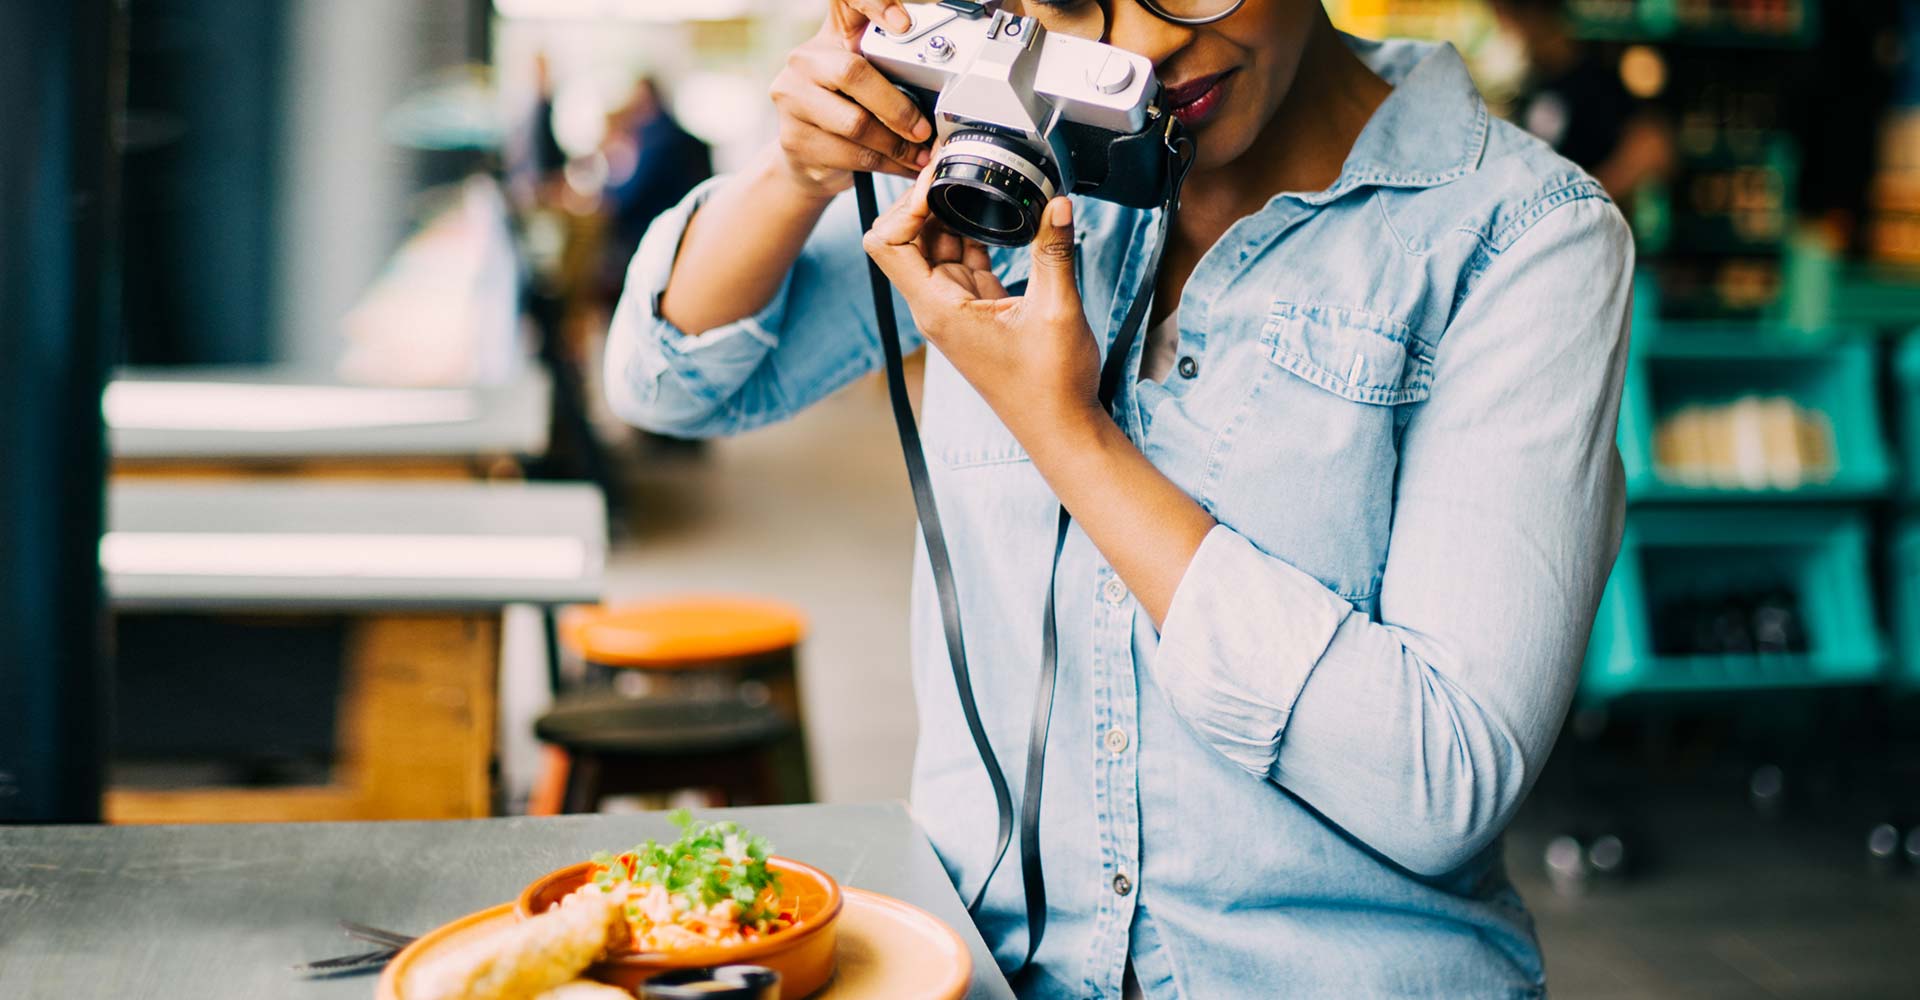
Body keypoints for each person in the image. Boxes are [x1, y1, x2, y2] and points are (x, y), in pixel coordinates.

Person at [605, 1, 1633, 996]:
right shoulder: (1024, 142)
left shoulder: (1525, 237)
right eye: (1069, 0)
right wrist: (796, 172)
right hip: (982, 966)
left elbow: (1443, 781)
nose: (1142, 49)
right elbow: (670, 383)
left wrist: (1066, 432)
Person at [1491, 0, 1675, 200]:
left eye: (1505, 19)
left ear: (1534, 15)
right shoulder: (1532, 85)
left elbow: (1655, 147)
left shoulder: (1594, 78)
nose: (1504, 31)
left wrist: (1582, 201)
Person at [599, 77, 712, 298]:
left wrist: (606, 196)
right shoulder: (678, 135)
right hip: (690, 229)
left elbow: (631, 196)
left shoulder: (657, 138)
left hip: (657, 233)